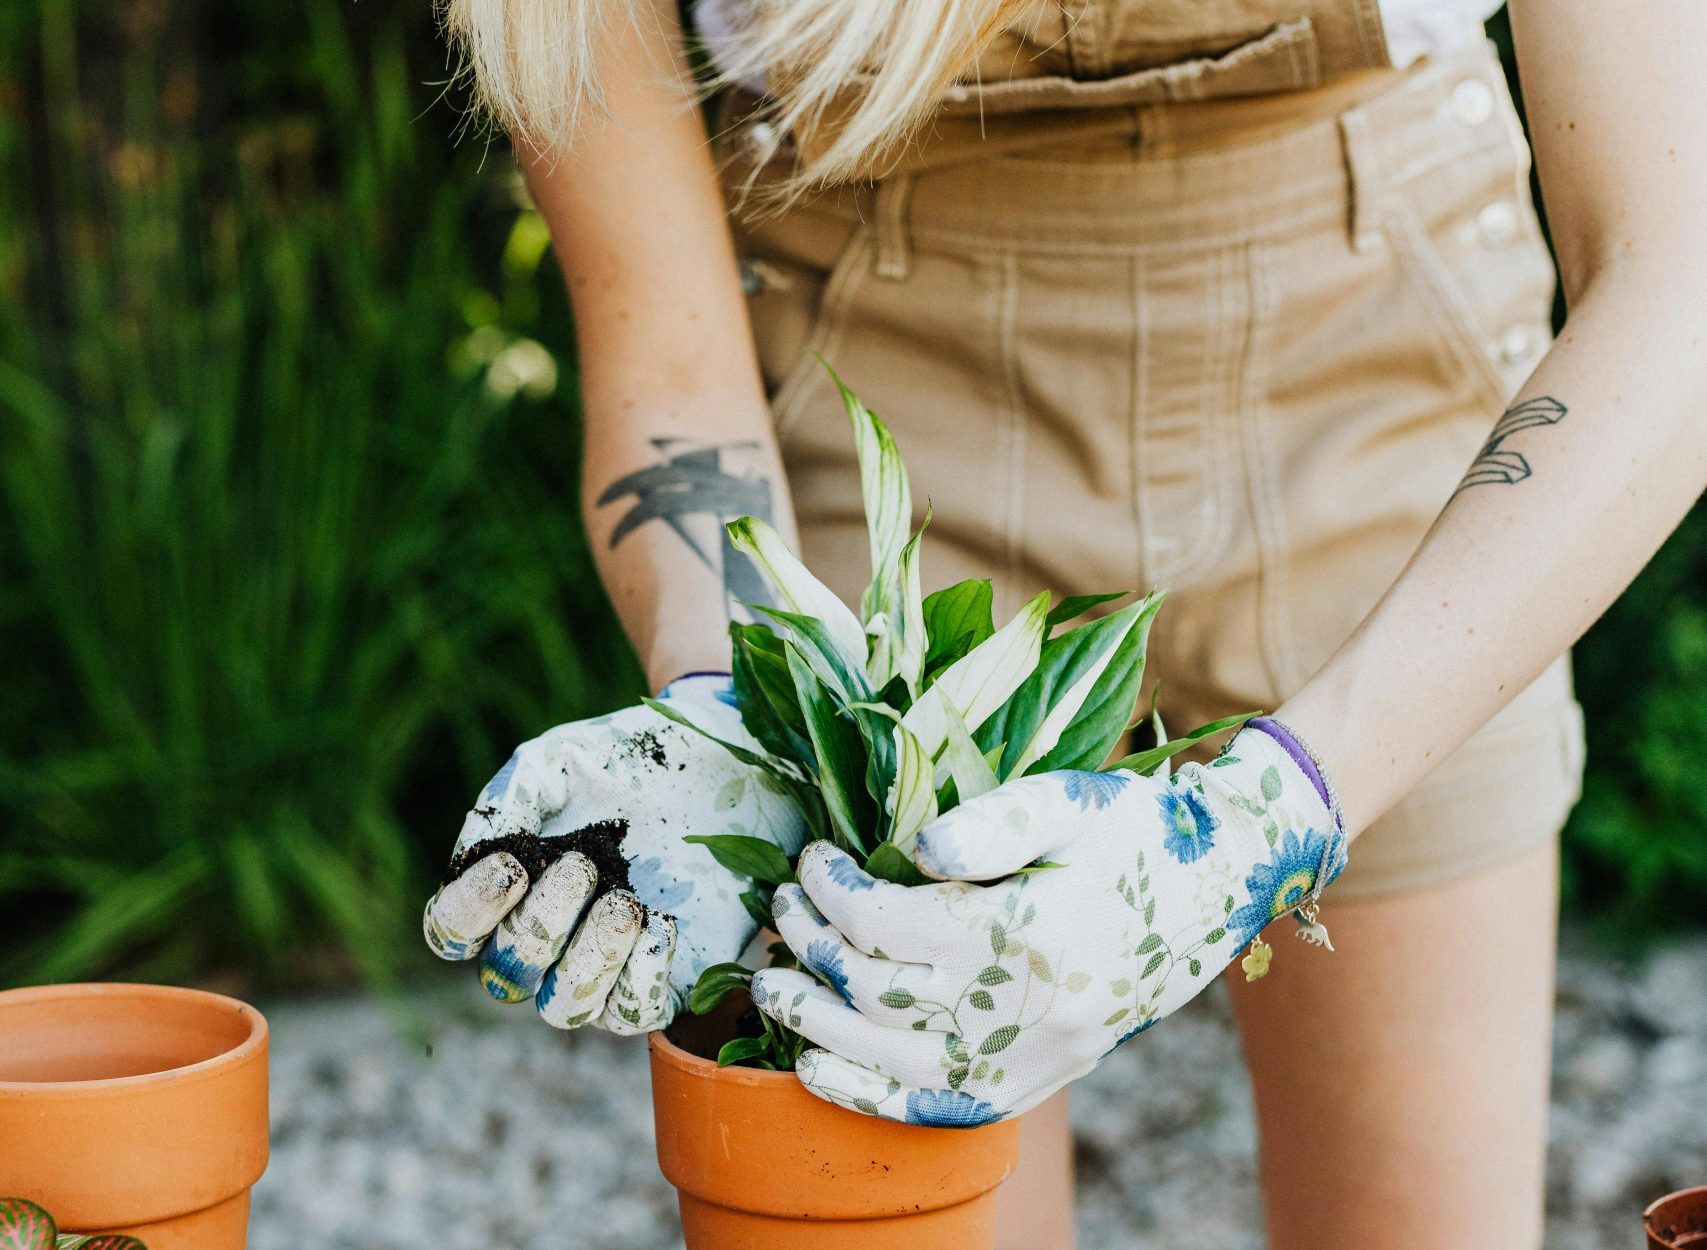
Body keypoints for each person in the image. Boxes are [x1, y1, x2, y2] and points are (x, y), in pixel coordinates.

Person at [420, 1, 1707, 1246]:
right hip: (886, 423)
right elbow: (672, 366)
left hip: (1381, 367)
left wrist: (1259, 819)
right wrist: (729, 704)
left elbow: (1679, 280)